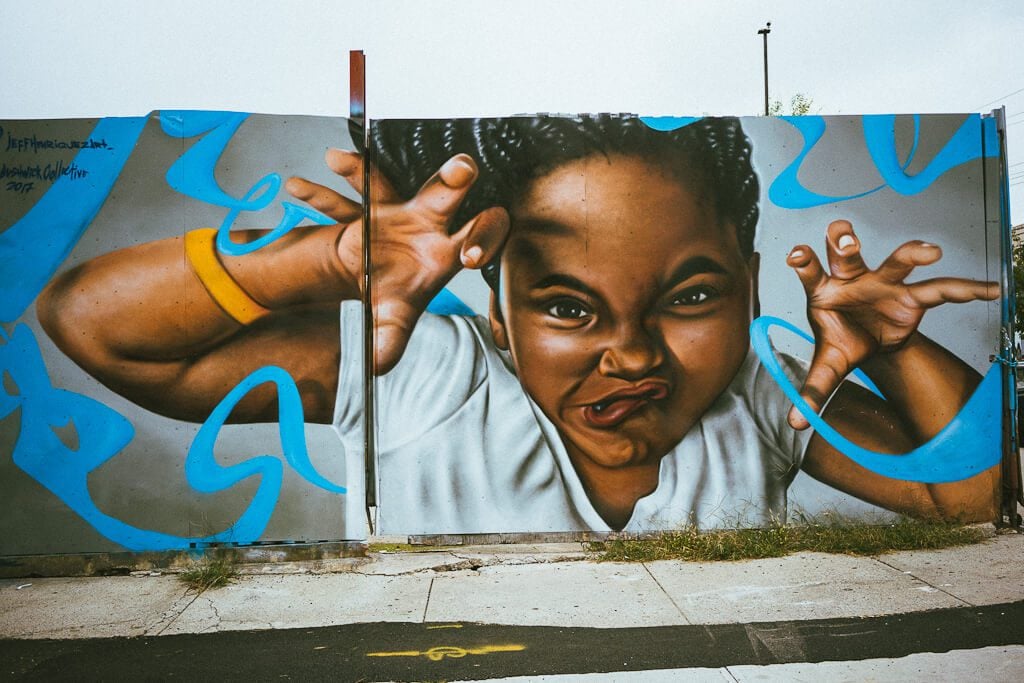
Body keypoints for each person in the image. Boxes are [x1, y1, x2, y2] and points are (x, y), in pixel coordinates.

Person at [37, 115, 1000, 533]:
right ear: (496, 312)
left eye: (694, 296)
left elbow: (970, 499)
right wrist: (314, 263)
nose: (631, 352)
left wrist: (896, 349)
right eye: (568, 306)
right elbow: (90, 320)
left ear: (752, 288)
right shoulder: (422, 372)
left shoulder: (758, 384)